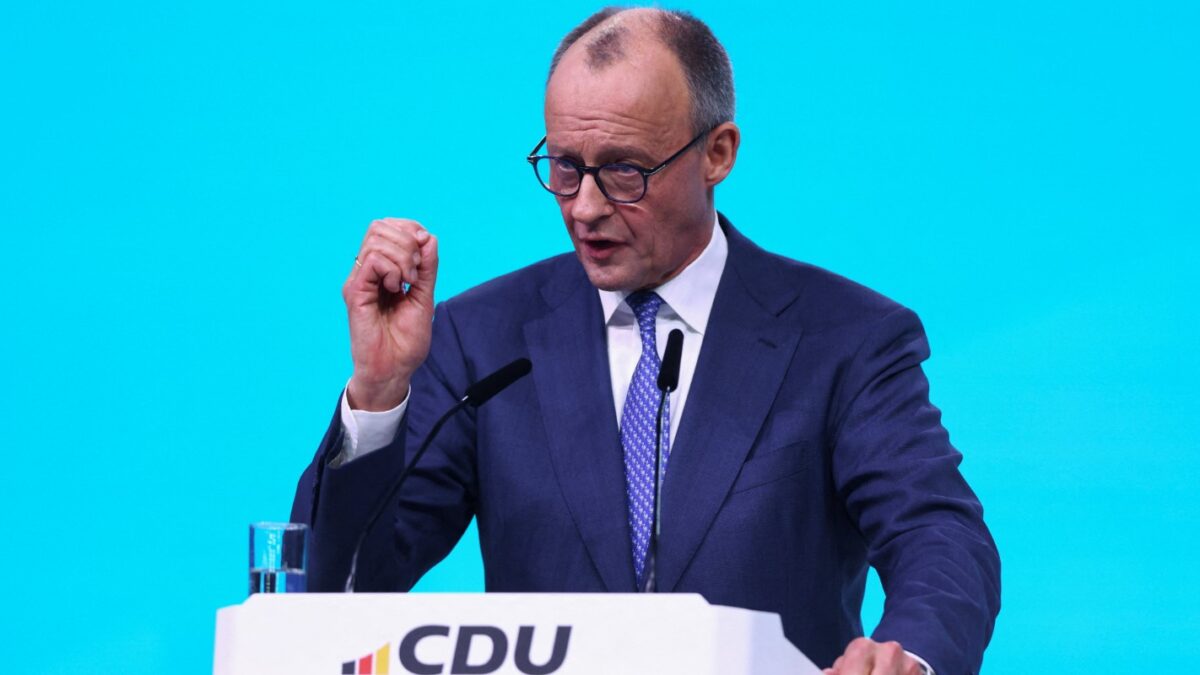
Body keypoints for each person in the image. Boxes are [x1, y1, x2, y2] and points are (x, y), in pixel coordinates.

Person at [291, 7, 1000, 674]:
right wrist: (379, 392)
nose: (586, 207)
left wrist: (908, 653)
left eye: (625, 170)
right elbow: (342, 588)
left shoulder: (846, 339)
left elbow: (938, 535)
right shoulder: (483, 339)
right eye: (565, 167)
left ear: (717, 153)